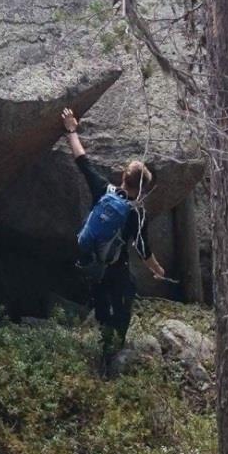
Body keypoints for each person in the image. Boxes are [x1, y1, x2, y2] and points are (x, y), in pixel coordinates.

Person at [61, 106, 166, 374]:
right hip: (115, 267)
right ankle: (112, 352)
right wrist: (157, 270)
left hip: (90, 260)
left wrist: (71, 129)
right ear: (141, 189)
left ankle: (101, 337)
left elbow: (82, 161)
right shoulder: (135, 212)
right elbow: (143, 249)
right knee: (124, 300)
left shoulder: (102, 189)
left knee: (100, 299)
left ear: (122, 177)